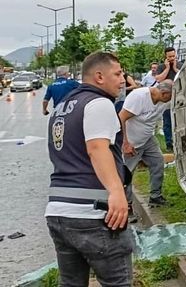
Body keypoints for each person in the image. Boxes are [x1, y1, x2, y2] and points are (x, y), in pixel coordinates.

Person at [45, 52, 133, 286]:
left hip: (58, 212)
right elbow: (96, 148)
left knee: (71, 283)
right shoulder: (99, 104)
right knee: (118, 282)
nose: (123, 79)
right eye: (117, 73)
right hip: (93, 213)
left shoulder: (62, 106)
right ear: (99, 76)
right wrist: (116, 192)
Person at [119, 80, 173, 207]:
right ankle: (126, 206)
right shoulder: (138, 97)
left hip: (148, 139)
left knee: (158, 162)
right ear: (164, 93)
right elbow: (120, 118)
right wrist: (125, 143)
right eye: (171, 97)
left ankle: (155, 196)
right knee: (127, 174)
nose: (172, 100)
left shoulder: (164, 100)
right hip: (132, 141)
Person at [155, 47, 181, 150]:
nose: (171, 58)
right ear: (165, 57)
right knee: (167, 121)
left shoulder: (179, 65)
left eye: (173, 56)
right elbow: (158, 79)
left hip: (179, 95)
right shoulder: (161, 67)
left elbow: (183, 75)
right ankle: (169, 142)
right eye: (169, 56)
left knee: (179, 121)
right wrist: (167, 68)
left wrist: (174, 68)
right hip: (166, 97)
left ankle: (178, 142)